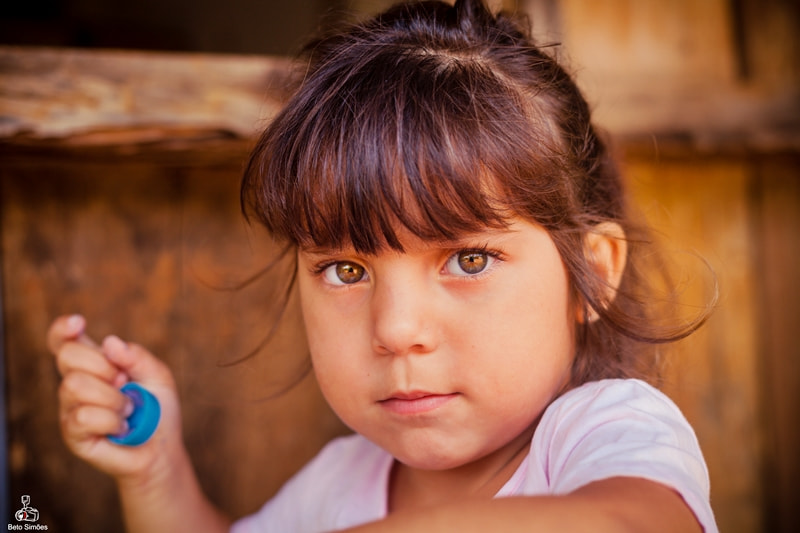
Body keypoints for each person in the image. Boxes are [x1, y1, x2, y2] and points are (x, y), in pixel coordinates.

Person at [46, 0, 719, 531]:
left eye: (469, 258)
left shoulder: (601, 431)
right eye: (346, 270)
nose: (395, 330)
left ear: (593, 273)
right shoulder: (343, 481)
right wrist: (156, 472)